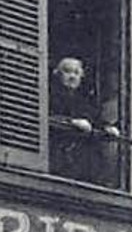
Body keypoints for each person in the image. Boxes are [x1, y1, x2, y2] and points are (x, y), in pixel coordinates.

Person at [49, 57, 121, 186]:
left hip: (80, 160)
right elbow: (48, 116)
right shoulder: (51, 94)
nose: (72, 76)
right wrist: (71, 122)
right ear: (58, 74)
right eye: (67, 71)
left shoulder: (83, 100)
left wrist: (107, 128)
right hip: (57, 156)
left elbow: (95, 119)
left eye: (76, 73)